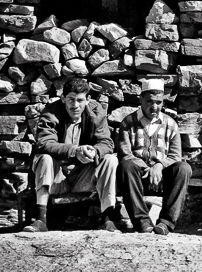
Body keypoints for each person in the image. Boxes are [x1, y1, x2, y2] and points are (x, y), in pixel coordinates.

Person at [25, 77, 120, 233]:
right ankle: (41, 219)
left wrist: (94, 151)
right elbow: (44, 143)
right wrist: (75, 150)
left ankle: (107, 219)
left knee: (110, 160)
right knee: (44, 158)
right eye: (70, 99)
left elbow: (107, 143)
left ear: (88, 100)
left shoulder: (96, 112)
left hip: (83, 177)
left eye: (80, 100)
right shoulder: (51, 112)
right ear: (63, 98)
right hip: (57, 177)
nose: (75, 105)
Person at [116, 79, 191, 236]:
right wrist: (147, 169)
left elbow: (175, 155)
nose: (154, 107)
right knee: (126, 166)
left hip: (162, 176)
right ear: (141, 100)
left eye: (159, 102)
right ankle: (143, 222)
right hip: (137, 176)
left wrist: (159, 166)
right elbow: (125, 153)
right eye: (149, 101)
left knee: (183, 168)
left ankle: (166, 223)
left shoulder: (170, 123)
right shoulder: (128, 123)